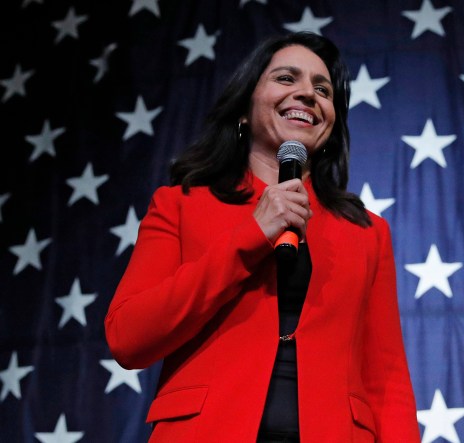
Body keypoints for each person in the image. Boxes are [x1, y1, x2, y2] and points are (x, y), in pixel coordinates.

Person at [104, 32, 421, 443]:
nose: (307, 94)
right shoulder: (179, 205)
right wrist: (251, 234)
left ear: (331, 122)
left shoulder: (367, 232)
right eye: (287, 79)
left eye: (322, 90)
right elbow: (128, 337)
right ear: (243, 110)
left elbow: (387, 379)